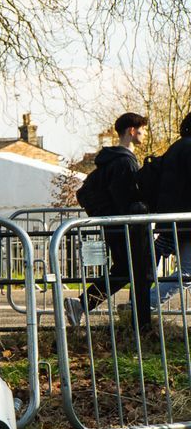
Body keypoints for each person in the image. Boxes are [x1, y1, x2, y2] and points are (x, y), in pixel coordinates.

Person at [72, 111, 157, 329]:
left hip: (114, 224)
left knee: (124, 270)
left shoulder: (110, 160)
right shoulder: (124, 162)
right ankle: (83, 305)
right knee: (132, 270)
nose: (145, 134)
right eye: (143, 130)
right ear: (132, 131)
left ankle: (81, 305)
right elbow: (125, 197)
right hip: (124, 226)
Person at [150, 113, 191, 309]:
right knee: (188, 273)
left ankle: (141, 303)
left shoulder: (176, 147)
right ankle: (144, 304)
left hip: (174, 221)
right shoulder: (188, 149)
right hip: (185, 223)